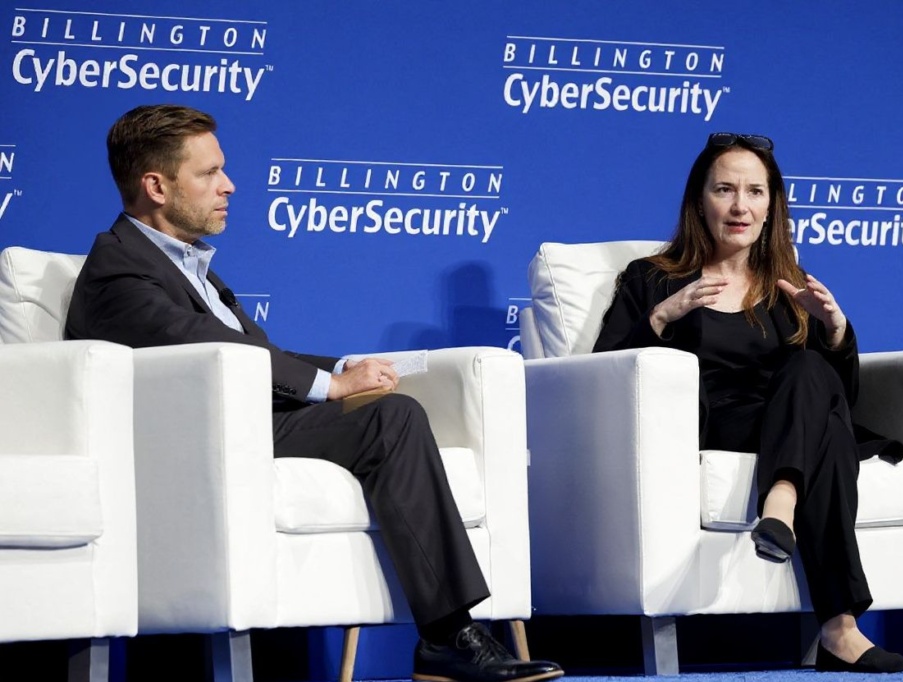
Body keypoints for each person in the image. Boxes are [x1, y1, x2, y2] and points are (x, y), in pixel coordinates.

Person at [65, 104, 563, 682]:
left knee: (390, 410)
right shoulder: (119, 270)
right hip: (205, 444)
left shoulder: (186, 263)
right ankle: (449, 638)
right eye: (208, 174)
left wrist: (347, 365)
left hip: (253, 425)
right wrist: (330, 387)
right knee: (391, 419)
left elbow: (255, 349)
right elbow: (201, 342)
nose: (229, 185)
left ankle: (451, 638)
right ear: (155, 185)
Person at [593, 132, 903, 674]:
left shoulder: (788, 287)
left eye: (755, 192)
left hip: (785, 427)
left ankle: (784, 507)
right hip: (712, 424)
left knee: (813, 376)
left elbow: (837, 397)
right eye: (725, 190)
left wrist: (835, 331)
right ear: (700, 201)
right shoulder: (652, 278)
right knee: (825, 426)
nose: (741, 206)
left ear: (771, 207)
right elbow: (602, 378)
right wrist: (662, 318)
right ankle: (840, 626)